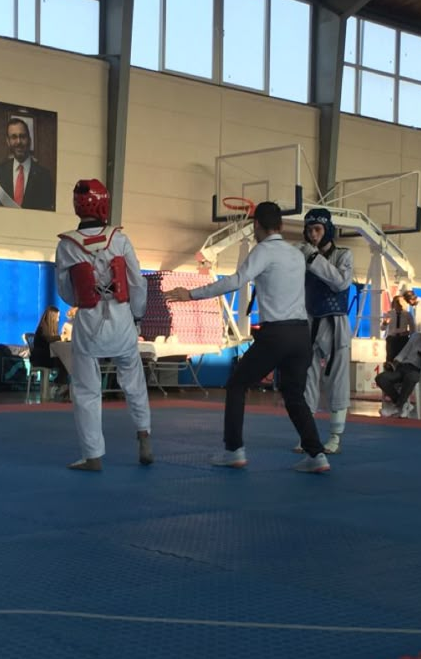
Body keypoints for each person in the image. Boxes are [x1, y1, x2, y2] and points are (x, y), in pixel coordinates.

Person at [165, 201, 329, 473]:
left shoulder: (263, 251)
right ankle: (317, 455)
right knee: (294, 395)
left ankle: (234, 450)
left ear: (256, 226)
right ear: (281, 225)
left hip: (277, 333)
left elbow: (234, 281)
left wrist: (191, 294)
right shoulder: (296, 255)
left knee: (237, 385)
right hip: (302, 334)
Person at [55, 178, 153, 471]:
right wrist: (136, 315)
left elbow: (65, 290)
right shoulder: (119, 240)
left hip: (88, 321)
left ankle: (93, 455)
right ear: (103, 203)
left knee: (86, 388)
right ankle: (144, 437)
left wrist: (85, 300)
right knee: (134, 380)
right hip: (122, 318)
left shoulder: (66, 246)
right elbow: (138, 282)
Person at [298, 207, 353, 455]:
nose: (313, 235)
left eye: (318, 229)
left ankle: (335, 435)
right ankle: (307, 434)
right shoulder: (303, 254)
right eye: (309, 230)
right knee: (306, 377)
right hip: (310, 321)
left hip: (335, 323)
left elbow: (340, 282)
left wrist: (313, 259)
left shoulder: (344, 255)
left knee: (337, 377)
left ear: (328, 230)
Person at [376, 316, 421, 418]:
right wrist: (394, 363)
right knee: (381, 378)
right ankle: (404, 404)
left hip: (420, 371)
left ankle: (398, 407)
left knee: (411, 377)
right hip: (403, 367)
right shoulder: (416, 336)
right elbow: (403, 353)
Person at [0, 118, 55, 211]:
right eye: (14, 137)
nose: (18, 142)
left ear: (29, 140)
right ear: (8, 141)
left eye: (22, 136)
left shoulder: (44, 176)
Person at [31, 305, 69, 390]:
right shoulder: (42, 328)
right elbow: (48, 339)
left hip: (45, 356)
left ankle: (60, 383)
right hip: (41, 358)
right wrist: (61, 337)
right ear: (52, 317)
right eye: (57, 317)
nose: (58, 320)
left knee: (64, 360)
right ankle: (60, 384)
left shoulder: (46, 328)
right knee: (64, 361)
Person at [383, 293, 414, 362]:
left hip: (403, 338)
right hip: (392, 338)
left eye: (402, 302)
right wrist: (385, 323)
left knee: (402, 358)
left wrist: (407, 333)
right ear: (394, 304)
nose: (400, 304)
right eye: (397, 302)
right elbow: (382, 328)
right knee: (390, 358)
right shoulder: (389, 313)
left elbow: (413, 328)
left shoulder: (407, 314)